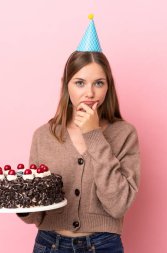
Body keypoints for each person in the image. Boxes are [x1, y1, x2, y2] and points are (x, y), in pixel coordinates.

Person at [17, 14, 141, 253]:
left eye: (99, 83)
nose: (90, 93)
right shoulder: (44, 135)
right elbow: (36, 210)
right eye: (80, 83)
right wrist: (23, 205)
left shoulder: (125, 134)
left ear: (108, 86)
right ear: (67, 85)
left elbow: (118, 205)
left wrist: (93, 135)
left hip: (103, 245)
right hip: (49, 245)